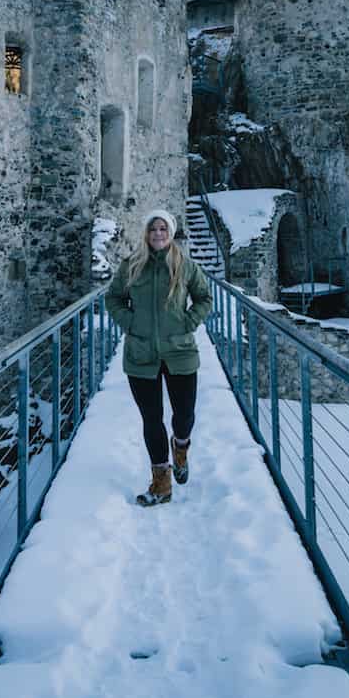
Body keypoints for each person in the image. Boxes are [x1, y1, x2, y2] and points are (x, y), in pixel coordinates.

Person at [103, 208, 211, 507]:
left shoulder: (186, 266)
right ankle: (161, 482)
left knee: (184, 415)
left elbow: (205, 298)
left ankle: (181, 446)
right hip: (141, 354)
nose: (158, 234)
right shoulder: (132, 265)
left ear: (171, 232)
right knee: (152, 419)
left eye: (163, 229)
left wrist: (188, 323)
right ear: (146, 234)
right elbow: (113, 298)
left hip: (180, 351)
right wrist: (130, 323)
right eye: (153, 229)